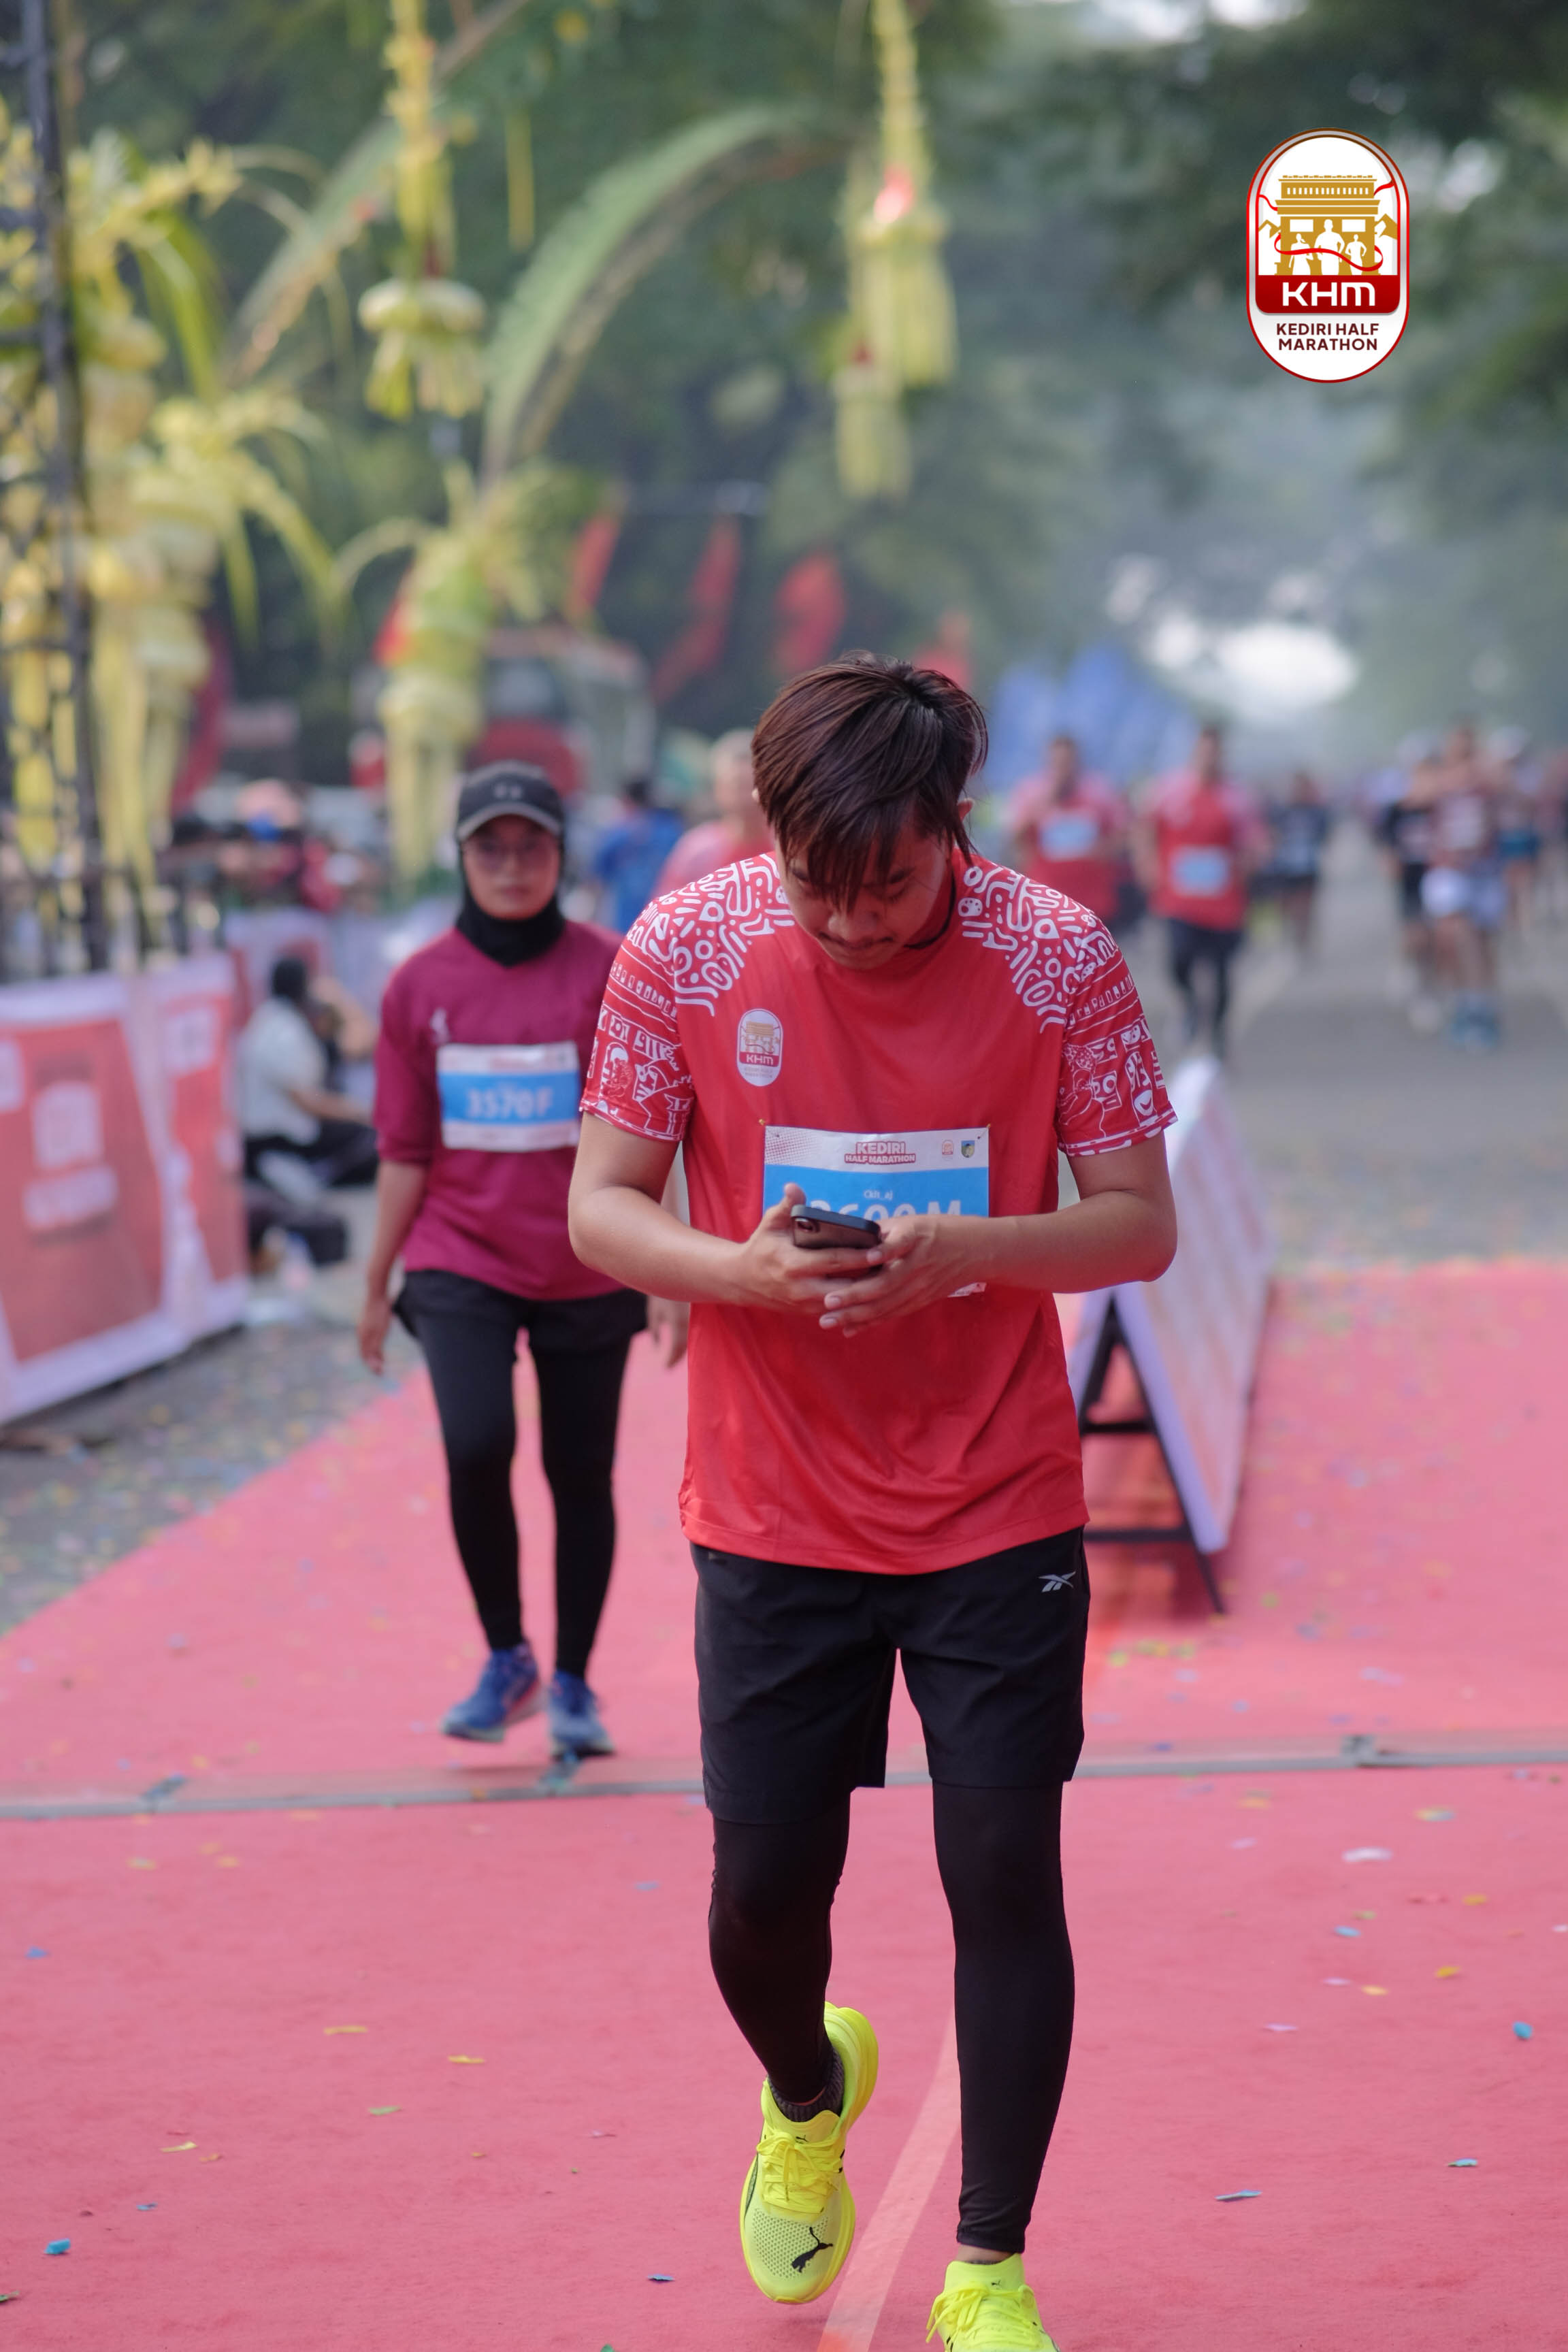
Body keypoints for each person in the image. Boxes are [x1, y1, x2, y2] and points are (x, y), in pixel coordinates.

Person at [568, 655, 1177, 2352]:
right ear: (767, 832)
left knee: (1004, 1868)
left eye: (889, 882)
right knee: (762, 1898)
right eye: (812, 879)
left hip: (994, 1498)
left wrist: (970, 1252)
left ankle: (988, 2262)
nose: (846, 919)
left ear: (953, 830)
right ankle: (803, 2083)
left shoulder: (1058, 958)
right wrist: (737, 1271)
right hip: (772, 1508)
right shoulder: (685, 945)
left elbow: (1138, 1221)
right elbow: (603, 1206)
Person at [357, 762, 686, 1757]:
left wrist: (670, 1270)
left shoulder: (612, 970)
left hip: (589, 1258)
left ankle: (574, 1680)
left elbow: (659, 1132)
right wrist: (374, 1282)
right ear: (460, 858)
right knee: (476, 1444)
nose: (511, 866)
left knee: (579, 1470)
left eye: (530, 846)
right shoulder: (418, 986)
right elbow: (404, 1150)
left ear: (561, 854)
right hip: (459, 1256)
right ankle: (507, 1655)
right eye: (490, 848)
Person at [1141, 722, 1265, 1058]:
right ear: (1195, 752)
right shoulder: (1168, 791)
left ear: (1222, 754)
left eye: (1215, 752)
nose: (1209, 758)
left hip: (1224, 902)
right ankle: (1189, 1004)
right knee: (1179, 959)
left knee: (1221, 971)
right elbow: (1145, 830)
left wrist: (1251, 861)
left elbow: (1256, 841)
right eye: (1204, 751)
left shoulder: (1237, 798)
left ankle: (1219, 1034)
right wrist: (1149, 865)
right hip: (1179, 899)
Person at [238, 956, 378, 1189]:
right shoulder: (284, 1032)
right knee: (374, 1142)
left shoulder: (273, 1019)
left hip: (281, 1133)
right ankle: (307, 1176)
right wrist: (358, 1111)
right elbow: (306, 1101)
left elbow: (359, 1045)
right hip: (277, 1139)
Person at [1007, 731, 1126, 926]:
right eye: (1058, 762)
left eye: (1068, 762)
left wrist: (1104, 850)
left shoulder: (1100, 791)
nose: (1063, 768)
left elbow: (1122, 834)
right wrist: (1042, 806)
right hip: (1046, 896)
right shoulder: (1031, 792)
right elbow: (1016, 836)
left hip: (1091, 895)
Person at [653, 727, 771, 894]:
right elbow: (668, 904)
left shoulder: (788, 849)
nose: (746, 796)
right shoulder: (697, 852)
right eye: (737, 786)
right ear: (718, 790)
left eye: (751, 785)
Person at [589, 777, 684, 936]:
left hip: (625, 924)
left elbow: (597, 879)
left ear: (627, 799)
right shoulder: (671, 829)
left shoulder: (619, 832)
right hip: (666, 921)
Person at [1270, 769, 1332, 956]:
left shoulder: (1316, 812)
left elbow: (1324, 836)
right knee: (1288, 905)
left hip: (1308, 866)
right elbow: (1272, 835)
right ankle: (1293, 935)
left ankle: (1305, 939)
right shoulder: (1282, 812)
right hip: (1286, 867)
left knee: (1306, 907)